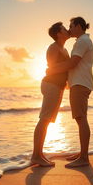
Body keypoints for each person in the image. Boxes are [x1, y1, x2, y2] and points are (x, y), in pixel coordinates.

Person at [47, 17, 93, 168]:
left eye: (71, 26)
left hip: (80, 84)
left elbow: (73, 62)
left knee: (81, 118)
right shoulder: (82, 41)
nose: (69, 29)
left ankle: (84, 158)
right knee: (81, 118)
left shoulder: (82, 41)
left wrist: (52, 70)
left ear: (79, 26)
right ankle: (82, 154)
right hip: (79, 83)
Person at [31, 22, 70, 167]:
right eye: (64, 29)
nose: (67, 30)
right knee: (44, 119)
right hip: (51, 85)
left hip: (57, 86)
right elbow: (52, 68)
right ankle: (36, 156)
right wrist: (71, 63)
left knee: (47, 120)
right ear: (58, 33)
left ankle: (39, 154)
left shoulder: (63, 49)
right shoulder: (53, 47)